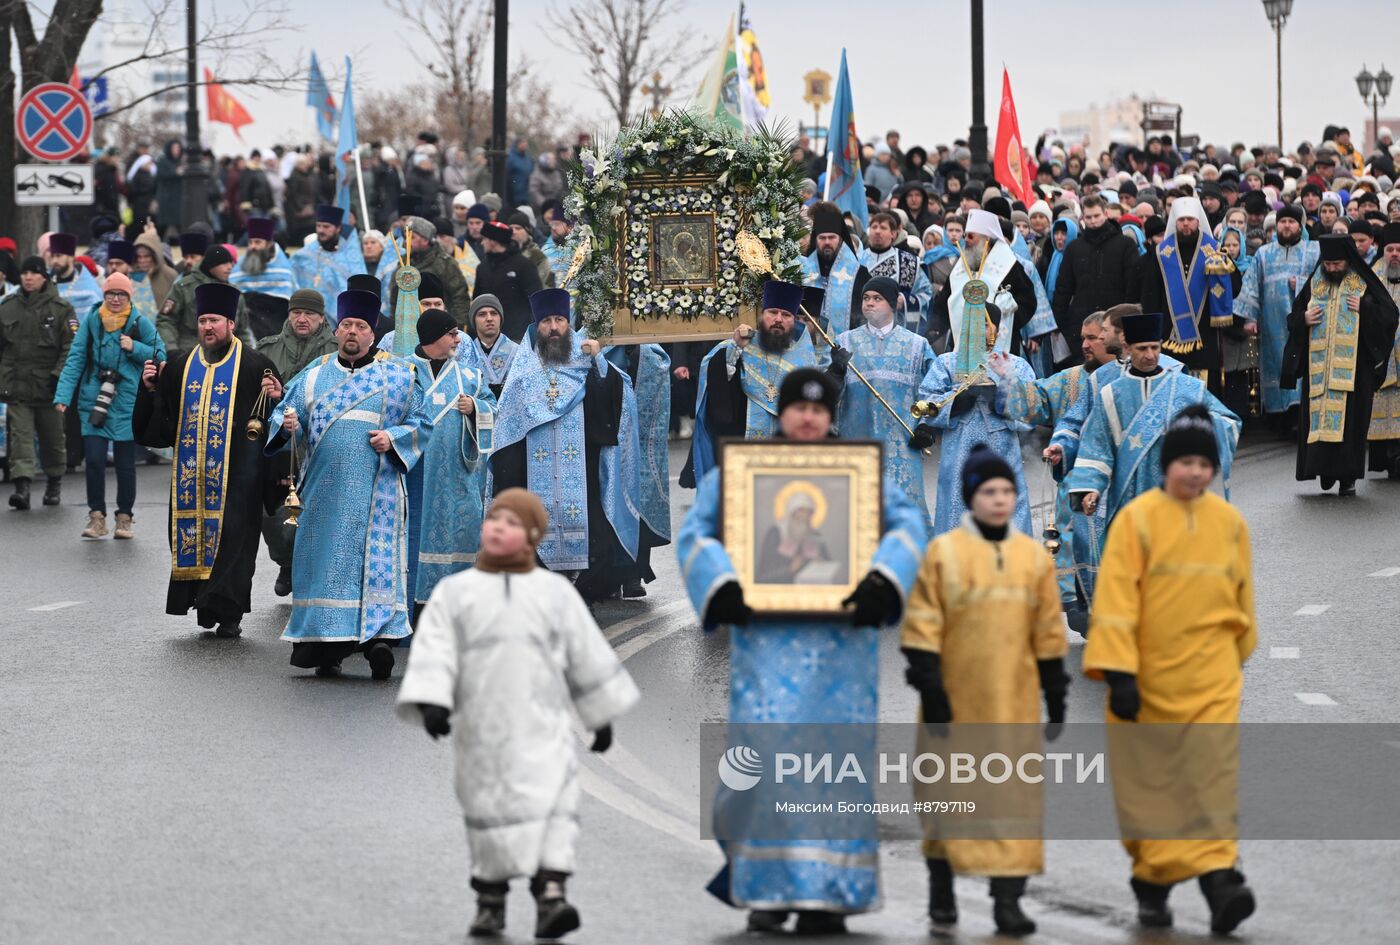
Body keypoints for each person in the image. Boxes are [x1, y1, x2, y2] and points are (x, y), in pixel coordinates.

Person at [677, 368, 926, 935]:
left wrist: (884, 579)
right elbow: (698, 533)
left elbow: (906, 523)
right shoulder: (747, 472)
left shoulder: (858, 473)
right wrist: (725, 587)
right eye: (798, 409)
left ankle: (832, 893)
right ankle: (767, 889)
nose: (809, 418)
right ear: (783, 414)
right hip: (768, 646)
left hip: (843, 650)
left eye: (819, 410)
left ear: (830, 416)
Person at [396, 488, 639, 941]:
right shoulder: (457, 593)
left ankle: (552, 895)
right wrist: (433, 701)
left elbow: (585, 654)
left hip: (544, 726)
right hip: (482, 730)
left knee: (553, 804)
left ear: (531, 536)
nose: (495, 529)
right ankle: (491, 901)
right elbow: (436, 650)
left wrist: (599, 715)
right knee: (489, 809)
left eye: (508, 523)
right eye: (492, 521)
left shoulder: (554, 594)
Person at [1083, 405, 1257, 935]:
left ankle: (1220, 879)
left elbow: (1243, 601)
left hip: (1211, 680)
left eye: (1204, 463)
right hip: (1149, 680)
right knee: (1153, 788)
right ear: (1166, 465)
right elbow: (1115, 597)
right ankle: (1152, 883)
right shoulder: (1137, 521)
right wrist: (1120, 673)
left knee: (1210, 780)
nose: (1195, 472)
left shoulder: (1229, 523)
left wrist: (1235, 654)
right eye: (1184, 462)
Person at [900, 444, 1067, 936]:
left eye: (1006, 492)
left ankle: (1008, 899)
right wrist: (931, 689)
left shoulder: (1031, 559)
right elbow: (923, 626)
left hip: (1011, 708)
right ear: (971, 497)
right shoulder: (944, 554)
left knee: (1012, 803)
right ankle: (942, 888)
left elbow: (1047, 632)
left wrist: (1055, 693)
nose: (999, 500)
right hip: (952, 705)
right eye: (989, 491)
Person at [265, 289, 427, 677]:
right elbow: (284, 415)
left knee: (373, 568)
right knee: (325, 567)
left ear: (373, 334)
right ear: (337, 331)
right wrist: (286, 426)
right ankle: (325, 649)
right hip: (323, 493)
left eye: (361, 326)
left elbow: (422, 422)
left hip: (378, 492)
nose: (352, 332)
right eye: (347, 325)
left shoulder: (400, 376)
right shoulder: (314, 376)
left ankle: (378, 644)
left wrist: (395, 439)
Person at [133, 282, 280, 638]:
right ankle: (203, 603)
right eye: (202, 321)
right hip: (191, 482)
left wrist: (279, 397)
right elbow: (161, 429)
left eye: (214, 320)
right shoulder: (181, 367)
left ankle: (228, 612)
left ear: (231, 324)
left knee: (234, 544)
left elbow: (276, 421)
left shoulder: (256, 366)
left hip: (238, 483)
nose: (207, 327)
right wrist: (150, 390)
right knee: (194, 540)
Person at [489, 288, 640, 602]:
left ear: (568, 324)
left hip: (582, 468)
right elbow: (507, 429)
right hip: (534, 474)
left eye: (559, 320)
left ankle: (585, 591)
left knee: (596, 535)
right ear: (537, 326)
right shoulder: (523, 372)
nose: (554, 327)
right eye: (547, 321)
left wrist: (599, 362)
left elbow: (615, 398)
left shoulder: (586, 363)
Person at [993, 310, 1121, 624]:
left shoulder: (1130, 381)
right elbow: (1035, 401)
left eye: (1093, 337)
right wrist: (1009, 377)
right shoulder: (1072, 379)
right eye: (1083, 339)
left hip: (1119, 486)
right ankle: (1081, 607)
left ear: (1112, 338)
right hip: (1076, 493)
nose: (1087, 345)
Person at [1068, 312, 1239, 538]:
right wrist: (1091, 489)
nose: (1150, 355)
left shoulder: (1189, 388)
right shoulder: (1110, 394)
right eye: (1142, 349)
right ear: (1127, 348)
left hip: (1177, 495)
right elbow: (1096, 447)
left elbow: (1229, 422)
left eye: (1155, 348)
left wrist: (1192, 433)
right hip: (1127, 501)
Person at [1282, 234, 1400, 495]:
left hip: (1355, 372)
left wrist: (1366, 308)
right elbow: (1292, 318)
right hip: (1319, 371)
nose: (1332, 269)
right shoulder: (1315, 282)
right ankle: (1323, 469)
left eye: (1337, 264)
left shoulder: (1363, 282)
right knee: (1318, 420)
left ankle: (1346, 477)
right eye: (1328, 264)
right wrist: (1303, 319)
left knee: (1351, 425)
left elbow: (1390, 315)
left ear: (1348, 260)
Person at [400, 307, 496, 619]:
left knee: (459, 541)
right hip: (413, 477)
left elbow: (495, 409)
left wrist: (477, 408)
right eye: (451, 333)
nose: (458, 339)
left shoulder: (469, 377)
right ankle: (407, 613)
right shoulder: (403, 374)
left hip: (456, 480)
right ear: (432, 338)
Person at [53, 273, 165, 539]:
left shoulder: (139, 322)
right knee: (93, 460)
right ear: (104, 296)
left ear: (129, 297)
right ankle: (96, 517)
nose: (115, 299)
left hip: (127, 399)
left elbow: (160, 354)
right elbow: (76, 358)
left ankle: (124, 518)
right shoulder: (92, 320)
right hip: (95, 398)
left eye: (121, 294)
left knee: (125, 463)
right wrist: (63, 396)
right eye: (110, 294)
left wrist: (135, 346)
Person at [683, 280, 820, 486]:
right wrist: (736, 349)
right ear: (761, 314)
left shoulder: (804, 357)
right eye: (772, 312)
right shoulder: (737, 346)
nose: (778, 319)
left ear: (794, 320)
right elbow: (718, 388)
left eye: (786, 315)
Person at [921, 301, 1035, 537]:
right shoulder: (948, 362)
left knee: (1003, 498)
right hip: (960, 446)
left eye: (983, 324)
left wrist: (999, 397)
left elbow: (1032, 407)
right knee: (958, 498)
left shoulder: (1014, 364)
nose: (975, 329)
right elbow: (927, 402)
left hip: (1002, 448)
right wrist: (958, 401)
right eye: (970, 323)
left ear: (996, 328)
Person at [833, 277, 938, 526]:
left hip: (902, 447)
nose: (869, 304)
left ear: (892, 304)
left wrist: (926, 426)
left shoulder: (917, 345)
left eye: (877, 299)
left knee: (905, 517)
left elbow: (932, 391)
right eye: (866, 298)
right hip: (858, 443)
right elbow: (831, 394)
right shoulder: (844, 341)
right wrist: (835, 372)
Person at [255, 287, 338, 595]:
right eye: (296, 313)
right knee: (274, 514)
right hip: (281, 445)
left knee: (321, 513)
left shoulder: (336, 348)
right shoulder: (268, 349)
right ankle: (286, 563)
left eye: (310, 314)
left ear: (321, 317)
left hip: (322, 443)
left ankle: (316, 576)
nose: (302, 319)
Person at [1139, 196, 1236, 396]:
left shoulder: (1215, 251)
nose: (1186, 224)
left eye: (1190, 219)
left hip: (1205, 336)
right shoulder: (1160, 254)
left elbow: (1235, 287)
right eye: (1181, 220)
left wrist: (1222, 273)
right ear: (1175, 221)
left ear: (1198, 221)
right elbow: (1150, 297)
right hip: (1168, 337)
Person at [0, 257, 76, 509]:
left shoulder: (61, 308)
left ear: (44, 276)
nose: (28, 277)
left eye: (33, 273)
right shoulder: (7, 307)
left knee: (52, 438)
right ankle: (22, 488)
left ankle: (54, 483)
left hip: (49, 387)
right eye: (24, 273)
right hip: (17, 386)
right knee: (20, 438)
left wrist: (58, 377)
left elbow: (70, 347)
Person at [1233, 205, 1318, 430]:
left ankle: (1301, 416)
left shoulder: (1314, 250)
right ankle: (1280, 419)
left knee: (1301, 365)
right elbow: (1251, 285)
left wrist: (1300, 284)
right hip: (1272, 323)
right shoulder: (1263, 254)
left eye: (1291, 221)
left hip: (1306, 323)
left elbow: (1323, 281)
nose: (1287, 225)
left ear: (1300, 226)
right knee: (1275, 365)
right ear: (1276, 226)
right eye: (1282, 222)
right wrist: (1249, 319)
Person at [930, 209, 1040, 358]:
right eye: (965, 236)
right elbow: (944, 300)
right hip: (963, 342)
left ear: (986, 238)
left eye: (970, 236)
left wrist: (1007, 315)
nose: (966, 240)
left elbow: (1029, 301)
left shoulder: (1008, 265)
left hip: (1001, 342)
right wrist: (933, 329)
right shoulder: (962, 263)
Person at [1050, 196, 1140, 370]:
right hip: (1081, 325)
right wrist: (1061, 323)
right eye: (1088, 217)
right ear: (1083, 218)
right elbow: (1063, 289)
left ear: (1106, 214)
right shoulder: (1074, 248)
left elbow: (1132, 286)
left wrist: (1127, 321)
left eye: (1096, 216)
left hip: (1115, 324)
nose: (1093, 221)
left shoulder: (1125, 245)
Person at [158, 243, 254, 362]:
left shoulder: (234, 293)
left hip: (228, 358)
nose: (229, 267)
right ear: (211, 266)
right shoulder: (184, 287)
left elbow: (243, 330)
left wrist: (248, 356)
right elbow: (166, 320)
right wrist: (172, 350)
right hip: (189, 355)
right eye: (224, 263)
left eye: (231, 263)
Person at [385, 217, 472, 328]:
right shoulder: (402, 265)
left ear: (425, 239)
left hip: (440, 327)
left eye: (412, 237)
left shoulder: (445, 263)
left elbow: (459, 297)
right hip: (409, 331)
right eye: (405, 237)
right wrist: (395, 326)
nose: (406, 242)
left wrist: (455, 327)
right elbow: (395, 301)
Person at [800, 202, 870, 335]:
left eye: (831, 237)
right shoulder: (802, 271)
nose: (827, 242)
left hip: (847, 349)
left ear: (841, 239)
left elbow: (866, 317)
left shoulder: (860, 274)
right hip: (809, 349)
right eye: (822, 238)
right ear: (816, 239)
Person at [859, 212, 932, 328]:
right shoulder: (857, 260)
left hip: (897, 328)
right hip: (861, 326)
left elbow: (926, 293)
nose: (877, 231)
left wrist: (904, 300)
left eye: (883, 228)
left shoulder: (908, 262)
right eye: (874, 227)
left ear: (893, 233)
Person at [474, 220, 544, 341]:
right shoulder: (482, 268)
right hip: (488, 337)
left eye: (484, 239)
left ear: (493, 241)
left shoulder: (524, 266)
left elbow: (537, 301)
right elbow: (477, 302)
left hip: (518, 337)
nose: (482, 243)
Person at [288, 204, 367, 312]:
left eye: (326, 227)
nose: (321, 230)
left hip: (340, 318)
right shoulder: (303, 256)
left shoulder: (350, 257)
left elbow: (359, 288)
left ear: (338, 228)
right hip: (307, 314)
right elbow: (292, 283)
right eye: (318, 226)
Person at [1367, 223, 1400, 477]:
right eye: (1390, 249)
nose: (1395, 255)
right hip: (1381, 359)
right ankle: (1384, 462)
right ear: (1383, 251)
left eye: (1399, 250)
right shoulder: (1370, 278)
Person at [229, 216, 296, 340]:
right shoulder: (239, 268)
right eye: (250, 242)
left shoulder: (283, 269)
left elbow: (287, 304)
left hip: (274, 328)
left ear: (269, 244)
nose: (253, 246)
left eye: (258, 242)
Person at [467, 293, 517, 399]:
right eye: (482, 314)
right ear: (474, 320)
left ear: (500, 318)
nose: (489, 318)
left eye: (494, 313)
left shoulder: (518, 352)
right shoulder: (466, 353)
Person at [46, 232, 103, 316]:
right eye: (52, 256)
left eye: (58, 256)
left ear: (71, 257)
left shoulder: (88, 288)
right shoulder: (46, 282)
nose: (54, 261)